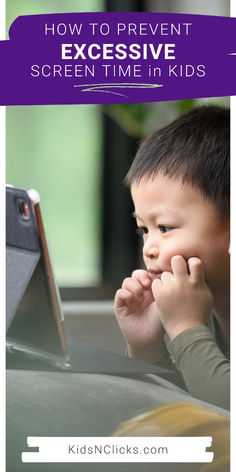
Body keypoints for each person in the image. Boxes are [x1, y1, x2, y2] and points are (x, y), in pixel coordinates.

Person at [114, 105, 230, 410]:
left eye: (164, 227)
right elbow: (185, 408)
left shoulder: (191, 315)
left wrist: (185, 329)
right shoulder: (200, 301)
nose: (149, 248)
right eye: (144, 229)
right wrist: (146, 349)